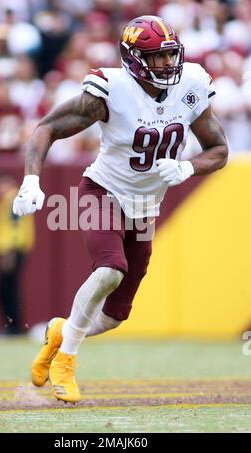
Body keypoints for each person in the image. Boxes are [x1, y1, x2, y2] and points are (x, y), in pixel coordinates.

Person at [13, 15, 228, 403]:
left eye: (169, 54)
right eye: (157, 57)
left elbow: (220, 150)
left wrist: (187, 166)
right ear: (134, 59)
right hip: (104, 191)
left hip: (145, 206)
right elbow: (47, 127)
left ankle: (60, 332)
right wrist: (31, 179)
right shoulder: (112, 90)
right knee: (111, 270)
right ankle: (67, 361)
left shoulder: (191, 84)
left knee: (114, 316)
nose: (167, 63)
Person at [0, 173, 35, 334]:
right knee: (7, 288)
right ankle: (13, 326)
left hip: (11, 250)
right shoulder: (13, 199)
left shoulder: (12, 200)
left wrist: (9, 252)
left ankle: (13, 327)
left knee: (6, 289)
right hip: (12, 250)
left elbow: (15, 228)